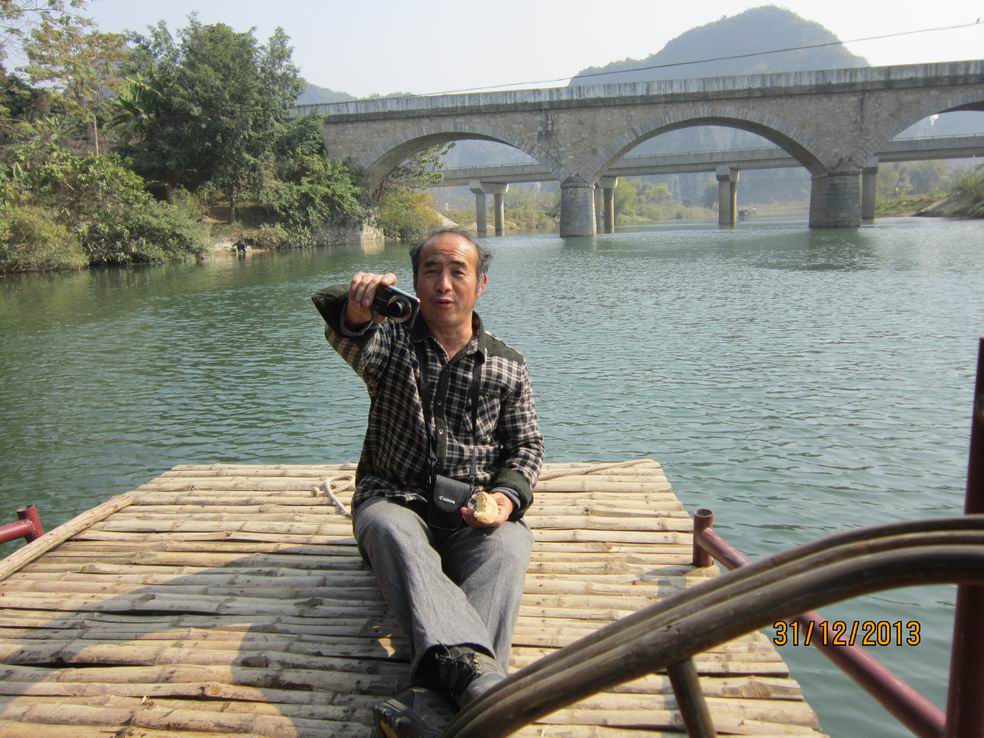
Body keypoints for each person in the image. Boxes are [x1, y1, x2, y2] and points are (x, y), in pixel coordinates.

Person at [312, 228, 544, 737]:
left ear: (480, 284)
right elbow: (345, 332)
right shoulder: (390, 343)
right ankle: (484, 687)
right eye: (431, 271)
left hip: (471, 516)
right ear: (415, 283)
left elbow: (526, 447)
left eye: (458, 271)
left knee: (510, 545)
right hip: (394, 499)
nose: (444, 284)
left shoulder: (508, 365)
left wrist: (504, 498)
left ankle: (429, 701)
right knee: (390, 528)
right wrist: (360, 308)